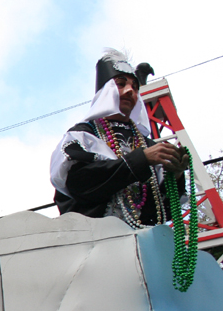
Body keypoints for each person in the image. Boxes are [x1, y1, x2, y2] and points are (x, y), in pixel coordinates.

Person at [50, 48, 188, 228]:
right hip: (96, 237)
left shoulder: (147, 145)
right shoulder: (82, 136)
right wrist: (140, 160)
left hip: (145, 237)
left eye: (135, 87)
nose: (130, 91)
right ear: (105, 92)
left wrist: (175, 176)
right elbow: (80, 184)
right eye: (121, 84)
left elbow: (163, 212)